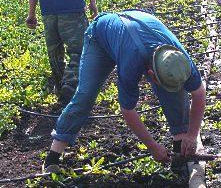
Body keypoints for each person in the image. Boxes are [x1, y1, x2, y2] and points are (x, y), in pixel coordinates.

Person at [43, 10, 206, 174]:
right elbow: (127, 110)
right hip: (101, 36)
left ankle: (179, 154)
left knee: (174, 92)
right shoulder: (131, 62)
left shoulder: (180, 60)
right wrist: (152, 147)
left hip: (135, 29)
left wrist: (192, 135)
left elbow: (199, 93)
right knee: (85, 95)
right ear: (150, 75)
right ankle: (53, 157)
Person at [25, 0, 98, 106]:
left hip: (48, 13)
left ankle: (62, 95)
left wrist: (31, 14)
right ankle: (69, 90)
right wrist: (92, 1)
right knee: (80, 51)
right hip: (72, 10)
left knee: (55, 54)